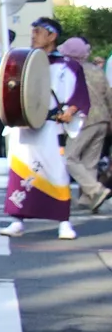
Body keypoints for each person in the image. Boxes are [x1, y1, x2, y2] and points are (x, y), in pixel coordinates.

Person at [0, 17, 91, 241]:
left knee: (56, 173)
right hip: (25, 124)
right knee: (20, 172)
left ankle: (64, 222)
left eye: (38, 31)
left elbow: (79, 94)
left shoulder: (68, 65)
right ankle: (17, 219)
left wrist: (71, 110)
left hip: (51, 125)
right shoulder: (23, 62)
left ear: (52, 36)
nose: (33, 35)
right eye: (33, 31)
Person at [60, 37, 111, 213]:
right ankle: (87, 200)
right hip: (102, 119)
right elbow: (109, 96)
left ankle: (96, 190)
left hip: (84, 119)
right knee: (90, 162)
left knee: (69, 158)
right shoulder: (96, 70)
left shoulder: (70, 71)